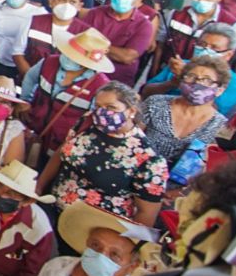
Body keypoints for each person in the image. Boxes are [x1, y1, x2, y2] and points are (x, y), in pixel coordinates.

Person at [37, 82, 167, 227]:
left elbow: (146, 213)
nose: (102, 113)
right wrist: (39, 187)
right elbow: (61, 152)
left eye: (111, 107)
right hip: (52, 208)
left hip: (92, 228)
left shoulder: (148, 159)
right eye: (98, 106)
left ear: (131, 111)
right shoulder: (87, 122)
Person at [21, 28, 115, 160]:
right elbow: (30, 78)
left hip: (61, 146)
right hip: (32, 132)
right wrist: (25, 101)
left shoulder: (100, 86)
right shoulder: (48, 62)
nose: (67, 58)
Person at [139, 54, 229, 166]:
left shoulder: (220, 125)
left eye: (207, 80)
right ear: (181, 81)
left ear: (220, 90)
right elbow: (131, 137)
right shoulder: (155, 103)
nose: (198, 83)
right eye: (191, 76)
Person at [142, 22, 236, 116]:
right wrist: (172, 83)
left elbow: (215, 112)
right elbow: (146, 93)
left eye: (214, 48)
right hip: (156, 114)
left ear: (228, 54)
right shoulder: (181, 65)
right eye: (202, 44)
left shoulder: (235, 83)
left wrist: (187, 81)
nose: (206, 50)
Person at [81, 0, 154, 87]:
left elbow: (127, 57)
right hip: (84, 73)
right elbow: (80, 40)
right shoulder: (95, 13)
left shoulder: (144, 25)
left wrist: (95, 45)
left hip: (116, 81)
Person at [14, 0, 88, 78]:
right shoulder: (33, 21)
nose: (67, 6)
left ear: (80, 6)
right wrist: (31, 78)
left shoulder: (85, 33)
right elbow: (17, 53)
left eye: (72, 2)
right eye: (62, 0)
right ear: (51, 2)